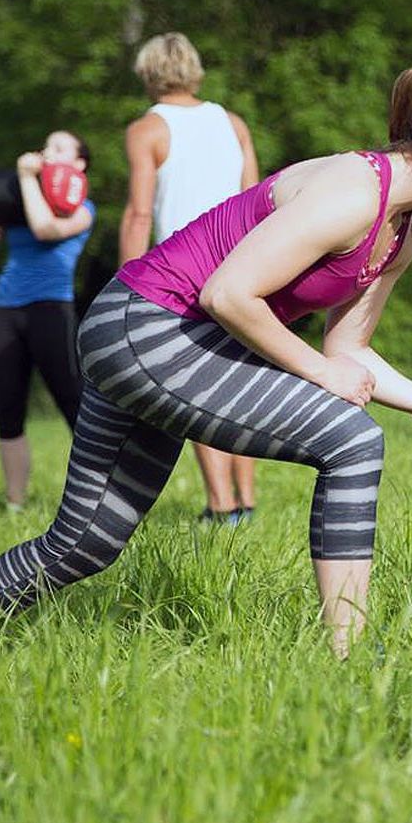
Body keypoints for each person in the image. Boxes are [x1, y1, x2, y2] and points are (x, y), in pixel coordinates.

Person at [0, 62, 412, 659]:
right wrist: (319, 373)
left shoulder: (403, 229)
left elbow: (349, 351)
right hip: (145, 327)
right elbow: (228, 295)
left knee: (85, 542)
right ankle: (350, 653)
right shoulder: (355, 191)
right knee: (354, 442)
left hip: (164, 338)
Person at [122, 32, 262, 525]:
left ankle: (220, 505)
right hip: (240, 265)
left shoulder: (146, 130)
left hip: (181, 272)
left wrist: (126, 286)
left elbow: (139, 214)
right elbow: (254, 202)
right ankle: (247, 500)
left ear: (148, 73)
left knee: (198, 386)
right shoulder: (233, 123)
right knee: (238, 381)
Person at [0, 132, 96, 511]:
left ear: (79, 164)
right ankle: (14, 504)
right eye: (47, 146)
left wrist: (27, 178)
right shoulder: (21, 204)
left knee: (74, 404)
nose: (48, 152)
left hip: (51, 310)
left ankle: (97, 498)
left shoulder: (84, 209)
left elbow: (47, 229)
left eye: (59, 148)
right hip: (7, 310)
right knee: (8, 409)